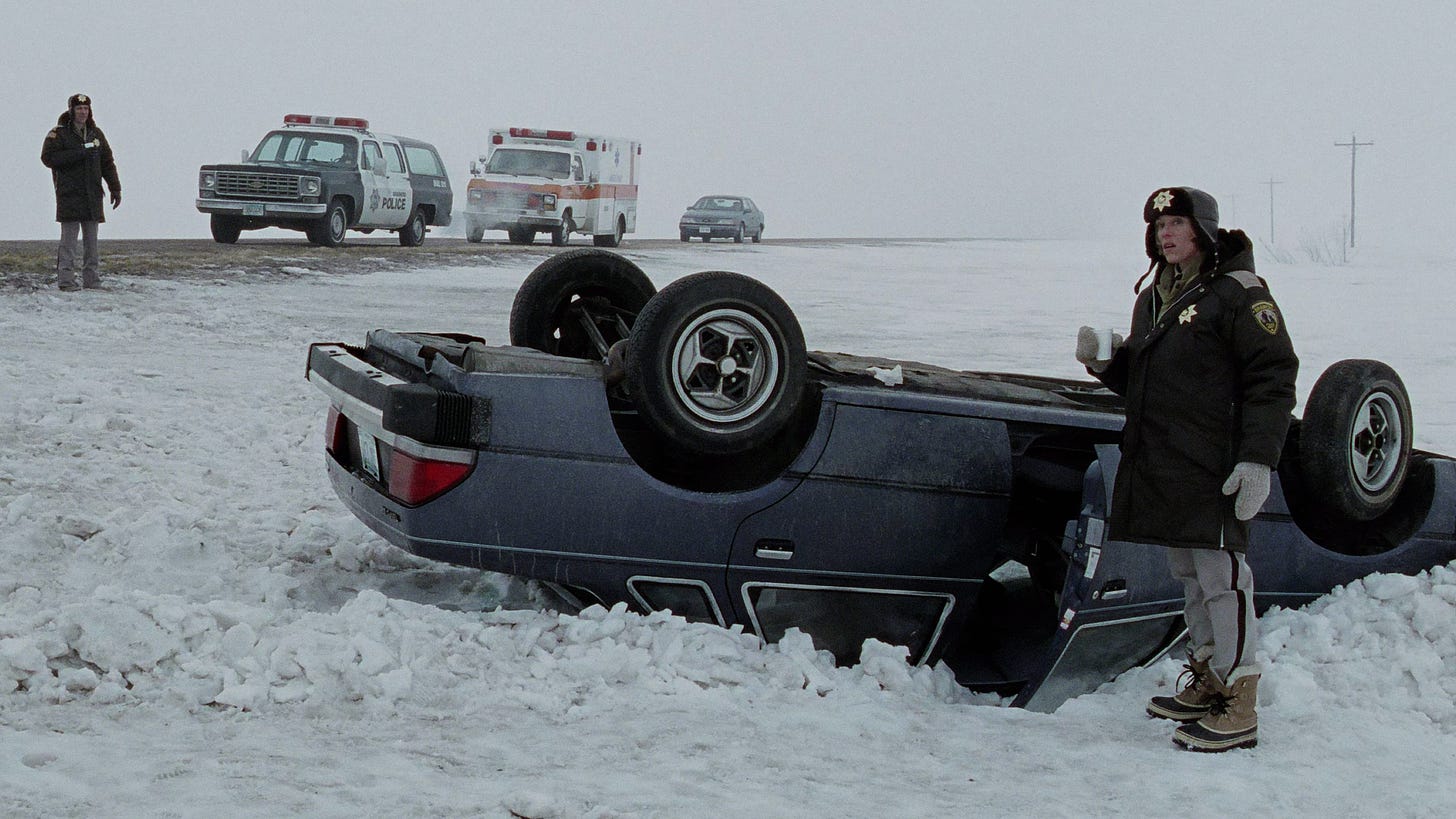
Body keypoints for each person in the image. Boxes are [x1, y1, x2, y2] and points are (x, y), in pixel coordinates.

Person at [1075, 186, 1297, 752]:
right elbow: (1147, 384)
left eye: (1176, 223)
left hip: (1216, 463)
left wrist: (1257, 459)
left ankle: (1240, 700)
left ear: (1203, 229)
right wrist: (1109, 363)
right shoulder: (1154, 296)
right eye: (1158, 226)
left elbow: (1272, 377)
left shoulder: (1239, 294)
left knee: (1223, 578)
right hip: (1167, 462)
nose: (1165, 234)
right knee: (1190, 574)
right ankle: (1209, 678)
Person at [41, 93, 121, 291]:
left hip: (92, 195)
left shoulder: (96, 134)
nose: (83, 112)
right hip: (69, 195)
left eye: (86, 109)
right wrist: (79, 153)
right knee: (68, 242)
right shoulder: (58, 134)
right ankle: (66, 281)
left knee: (91, 243)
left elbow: (107, 163)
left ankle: (92, 280)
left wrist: (115, 187)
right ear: (72, 110)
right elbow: (48, 158)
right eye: (79, 109)